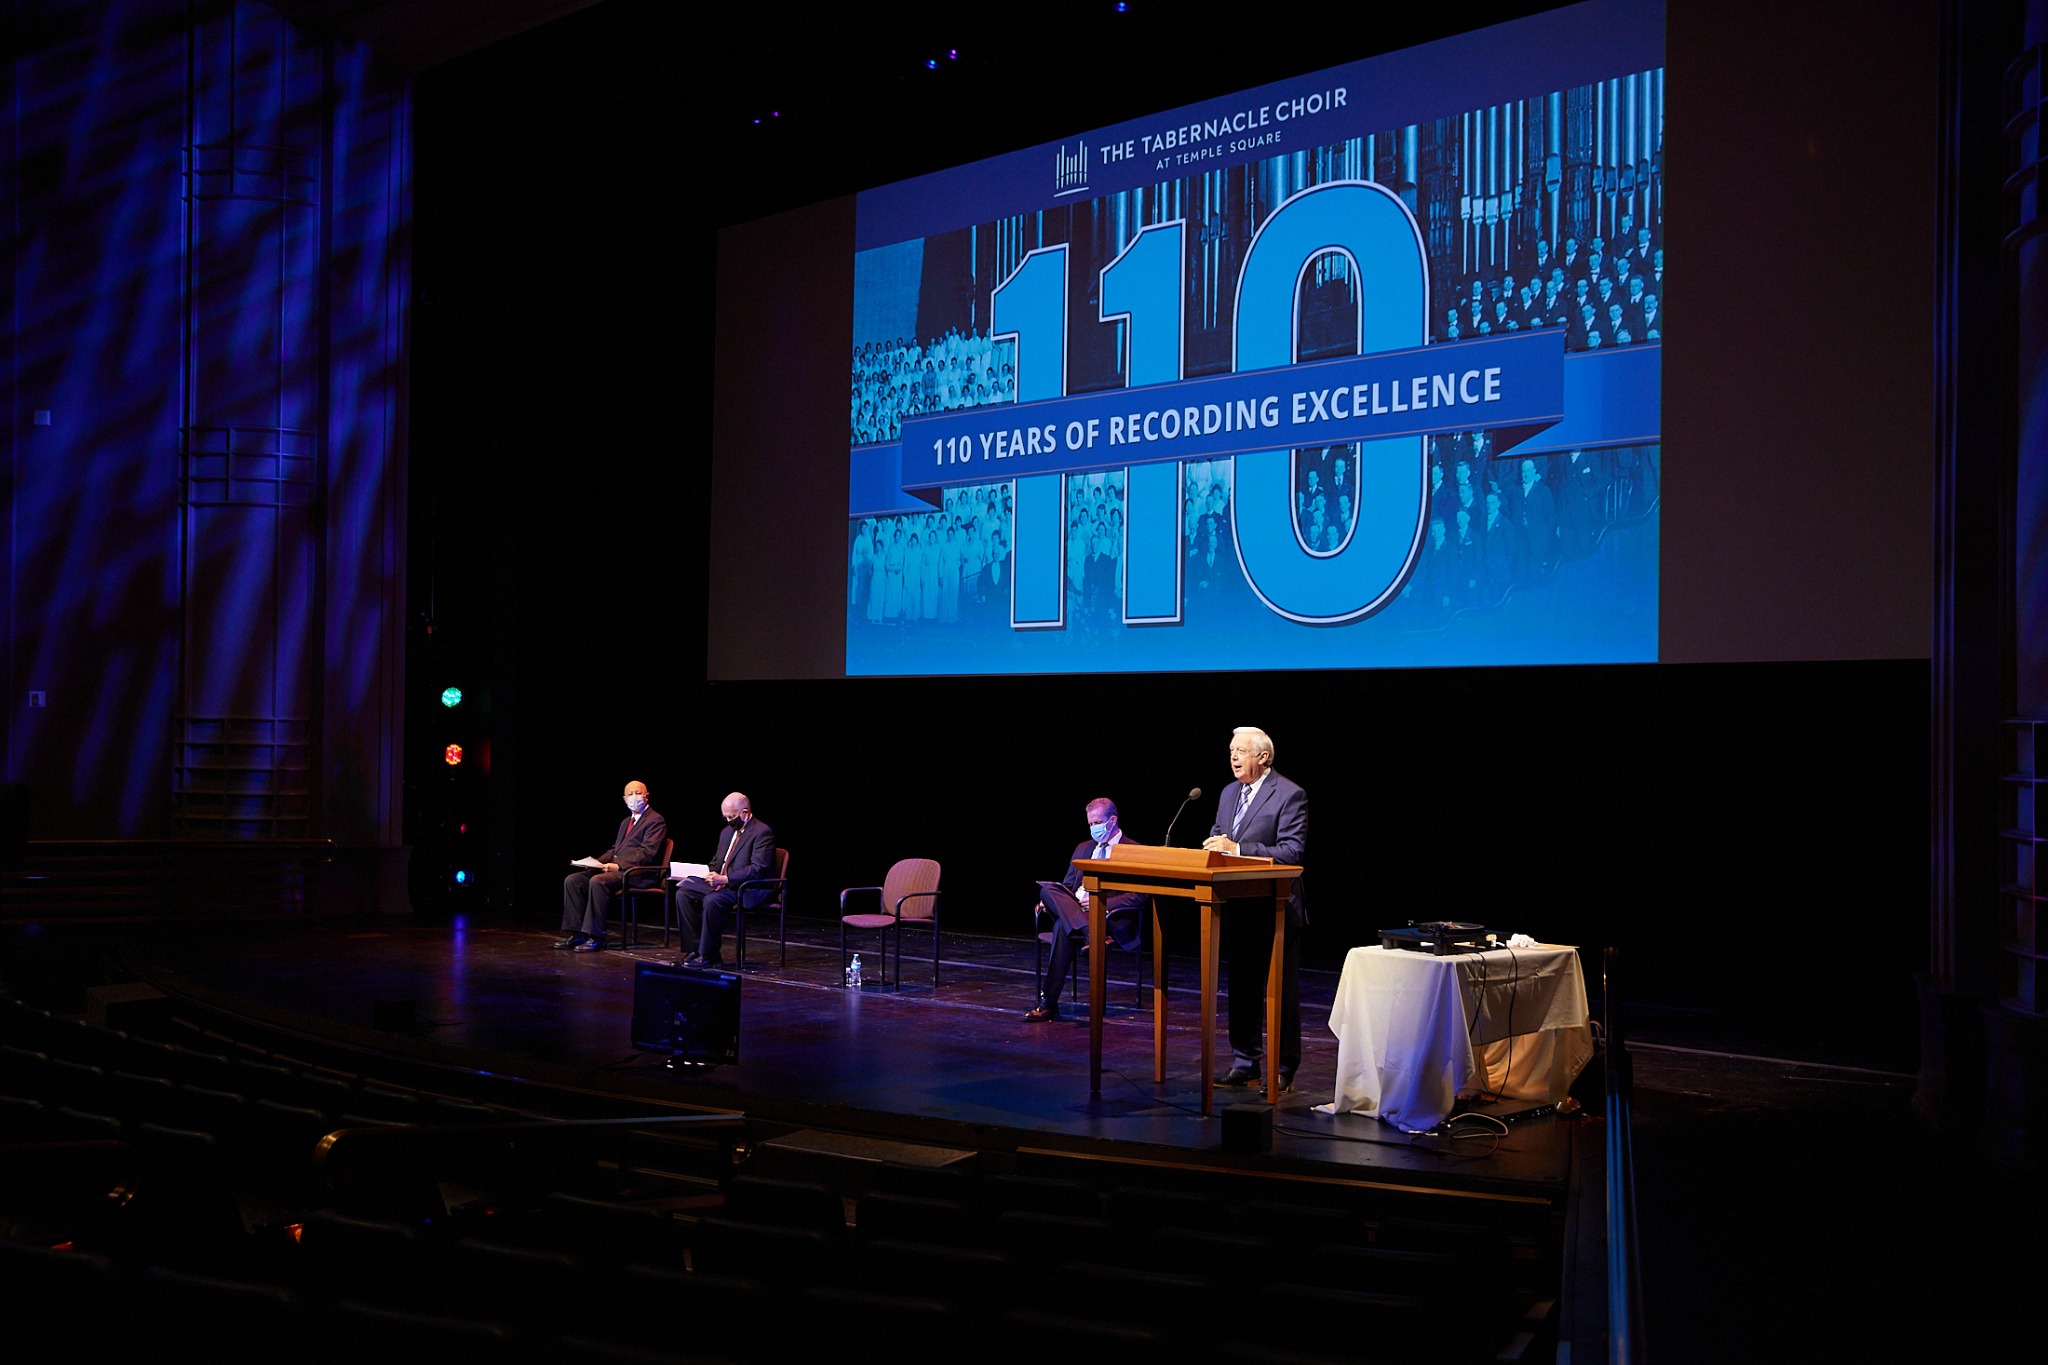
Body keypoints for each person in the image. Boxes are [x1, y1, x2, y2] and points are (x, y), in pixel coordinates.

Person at [1202, 727, 1306, 1091]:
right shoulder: (1228, 792)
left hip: (1277, 908)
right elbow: (1219, 835)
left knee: (1281, 992)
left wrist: (1238, 849)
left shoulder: (1289, 794)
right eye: (1231, 750)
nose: (1233, 756)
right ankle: (1245, 1061)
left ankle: (1283, 1067)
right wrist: (1215, 847)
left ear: (1263, 757)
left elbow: (1291, 851)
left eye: (1241, 751)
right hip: (1238, 904)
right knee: (1241, 987)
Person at [1024, 798, 1147, 1022]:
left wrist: (1103, 903)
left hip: (1107, 916)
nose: (1093, 828)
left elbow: (1139, 896)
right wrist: (1054, 901)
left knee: (1061, 927)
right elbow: (1068, 886)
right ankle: (1091, 934)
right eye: (1090, 824)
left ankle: (1048, 1003)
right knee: (1047, 891)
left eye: (1097, 823)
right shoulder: (1083, 848)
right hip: (1077, 909)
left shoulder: (1134, 850)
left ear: (1112, 820)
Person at [557, 781, 668, 951]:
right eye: (630, 794)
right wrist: (596, 863)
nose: (634, 797)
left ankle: (597, 937)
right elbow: (615, 850)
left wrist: (618, 866)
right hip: (619, 872)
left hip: (639, 874)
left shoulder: (655, 820)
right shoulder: (626, 822)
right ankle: (578, 934)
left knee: (598, 881)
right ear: (624, 799)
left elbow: (647, 853)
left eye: (638, 793)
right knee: (573, 880)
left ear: (646, 797)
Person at [673, 792, 777, 969]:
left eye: (732, 817)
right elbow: (717, 861)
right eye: (725, 817)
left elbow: (758, 868)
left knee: (712, 900)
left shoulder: (762, 832)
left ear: (745, 813)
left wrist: (726, 879)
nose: (728, 821)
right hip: (722, 884)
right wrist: (708, 874)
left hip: (746, 888)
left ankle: (709, 955)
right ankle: (694, 950)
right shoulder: (726, 832)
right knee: (683, 894)